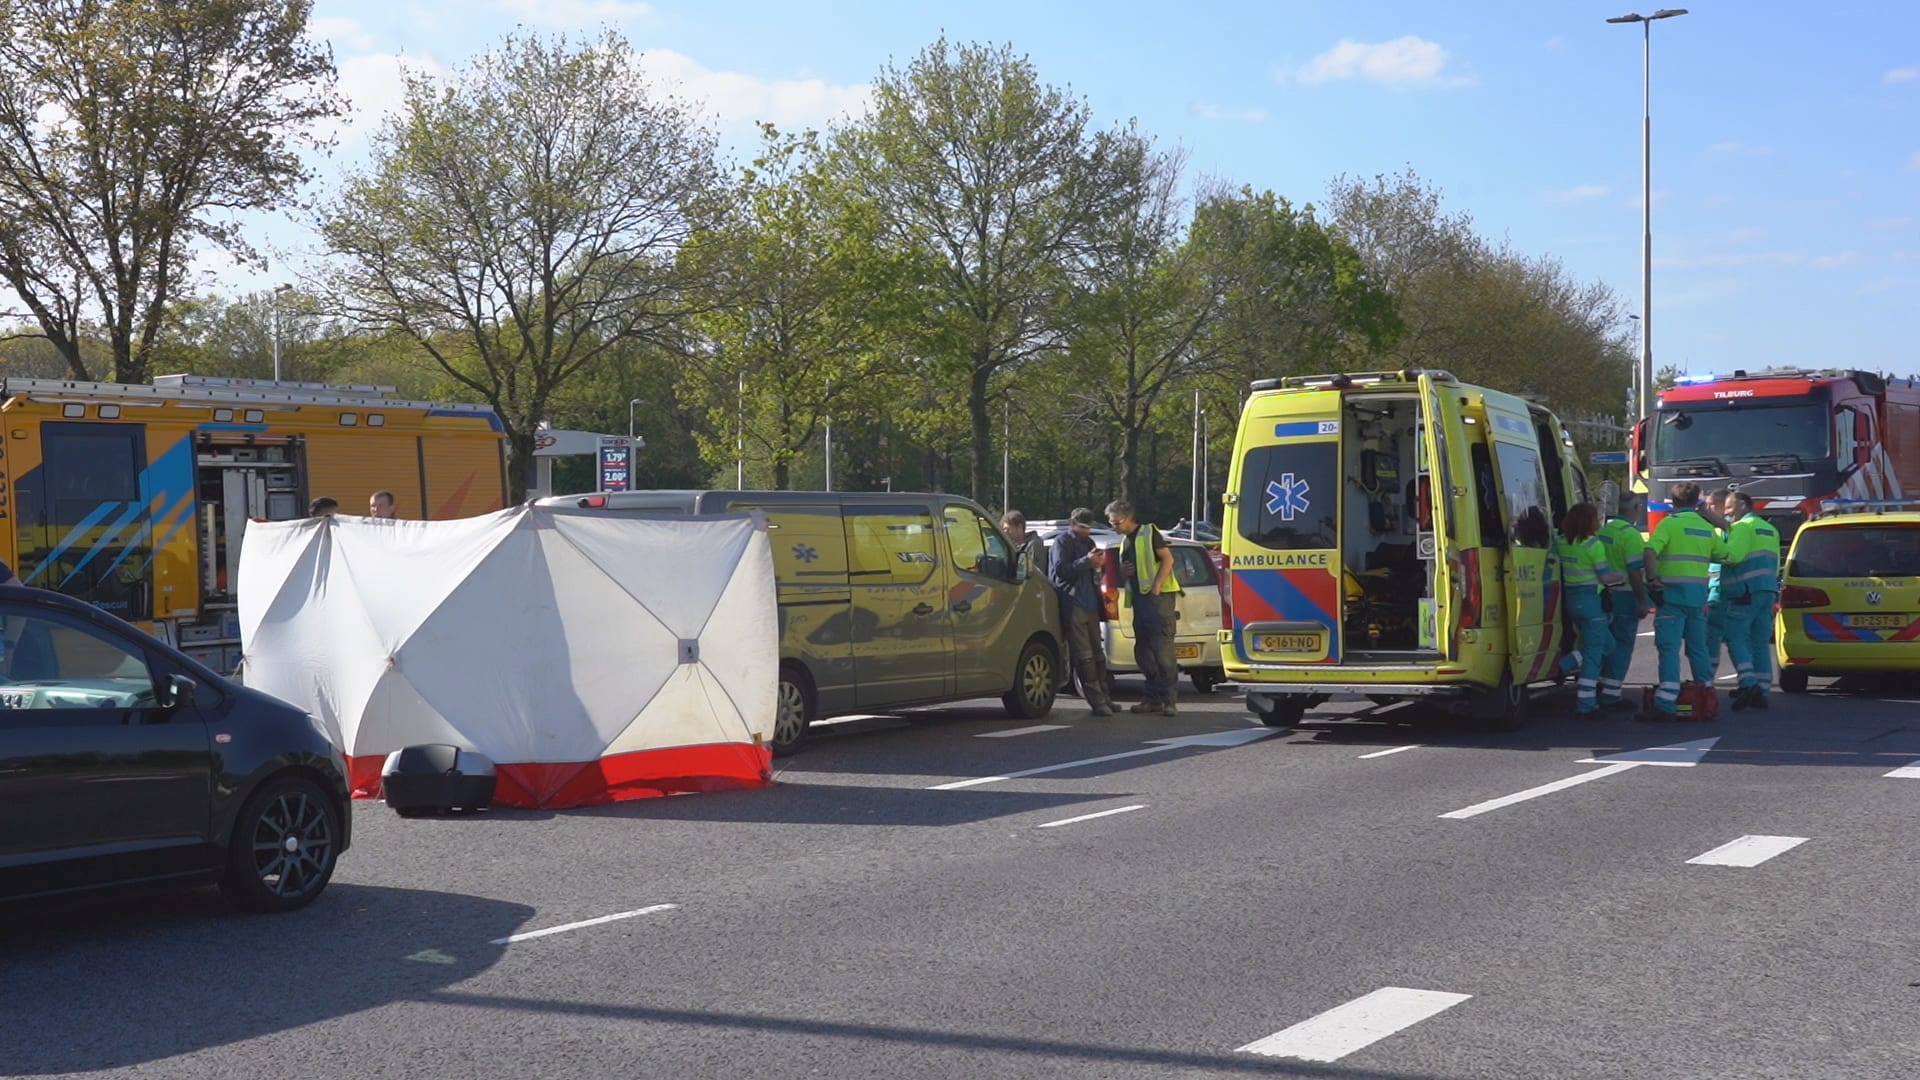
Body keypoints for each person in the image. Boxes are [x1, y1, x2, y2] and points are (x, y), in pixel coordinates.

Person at [1642, 482, 1731, 720]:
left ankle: (1665, 703)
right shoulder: (1704, 528)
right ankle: (1706, 698)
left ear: (1673, 502)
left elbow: (1650, 552)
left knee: (1669, 649)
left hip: (1671, 597)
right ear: (1696, 503)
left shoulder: (1669, 525)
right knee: (1698, 649)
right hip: (1697, 599)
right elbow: (1725, 553)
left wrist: (1652, 580)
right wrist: (1715, 519)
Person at [1105, 499, 1181, 716]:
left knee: (1162, 652)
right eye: (1111, 522)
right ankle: (1152, 699)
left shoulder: (1149, 533)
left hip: (1158, 601)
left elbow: (1168, 559)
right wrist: (1123, 571)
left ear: (1128, 518)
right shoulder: (1125, 541)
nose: (1113, 526)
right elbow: (1131, 569)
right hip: (1140, 601)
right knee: (1143, 652)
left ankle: (1169, 701)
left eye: (1116, 522)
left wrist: (1157, 584)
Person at [1556, 503, 1631, 715]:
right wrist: (1623, 576)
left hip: (1572, 601)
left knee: (1608, 644)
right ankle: (1586, 705)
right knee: (1594, 654)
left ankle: (1567, 664)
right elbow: (1605, 576)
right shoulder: (1593, 545)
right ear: (1589, 522)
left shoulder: (1561, 542)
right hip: (1591, 602)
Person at [1048, 508, 1114, 717]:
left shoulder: (1089, 543)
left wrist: (1099, 565)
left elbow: (1096, 573)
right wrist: (1086, 561)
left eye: (1088, 527)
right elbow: (1060, 571)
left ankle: (1106, 698)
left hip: (1090, 604)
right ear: (1072, 524)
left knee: (1098, 655)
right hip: (1073, 603)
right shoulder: (1062, 542)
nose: (1086, 531)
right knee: (1084, 657)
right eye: (1082, 527)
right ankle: (1097, 702)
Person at [1720, 492, 1782, 711]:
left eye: (1728, 507)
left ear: (1743, 505)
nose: (1725, 512)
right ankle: (1762, 690)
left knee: (1735, 638)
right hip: (1767, 590)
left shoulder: (1741, 528)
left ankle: (1748, 683)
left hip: (1745, 592)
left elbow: (1732, 556)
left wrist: (1713, 551)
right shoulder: (1770, 529)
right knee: (1759, 643)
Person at [1593, 487, 1652, 710]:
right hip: (1625, 595)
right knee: (1622, 645)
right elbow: (1635, 571)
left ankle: (1597, 686)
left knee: (1605, 642)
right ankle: (1612, 693)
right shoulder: (1630, 535)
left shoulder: (1605, 530)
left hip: (1604, 594)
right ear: (1636, 509)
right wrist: (1642, 600)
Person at [1701, 488, 1733, 680]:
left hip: (1721, 590)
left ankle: (1707, 677)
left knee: (1713, 634)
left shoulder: (1728, 529)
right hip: (1715, 588)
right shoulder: (1717, 529)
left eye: (1712, 504)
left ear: (1723, 505)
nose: (1708, 508)